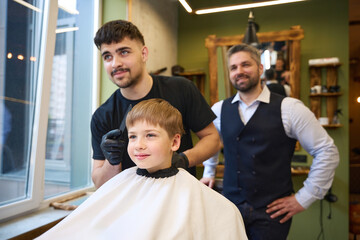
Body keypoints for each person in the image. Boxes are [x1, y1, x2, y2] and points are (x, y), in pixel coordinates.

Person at [36, 99, 248, 240]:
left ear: (175, 142)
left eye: (150, 135)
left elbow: (226, 221)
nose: (138, 144)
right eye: (133, 136)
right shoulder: (121, 183)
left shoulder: (196, 195)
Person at [200, 44, 339, 240]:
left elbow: (327, 151)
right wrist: (209, 171)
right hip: (230, 208)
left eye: (245, 64)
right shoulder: (219, 110)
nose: (239, 71)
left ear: (260, 68)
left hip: (271, 215)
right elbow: (211, 141)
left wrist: (304, 198)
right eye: (233, 67)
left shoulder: (290, 108)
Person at [91, 20, 220, 188]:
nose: (115, 63)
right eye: (107, 56)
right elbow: (99, 183)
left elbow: (213, 139)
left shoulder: (181, 89)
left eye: (123, 52)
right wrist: (112, 161)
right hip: (132, 205)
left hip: (177, 199)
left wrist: (183, 160)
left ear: (144, 53)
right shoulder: (102, 116)